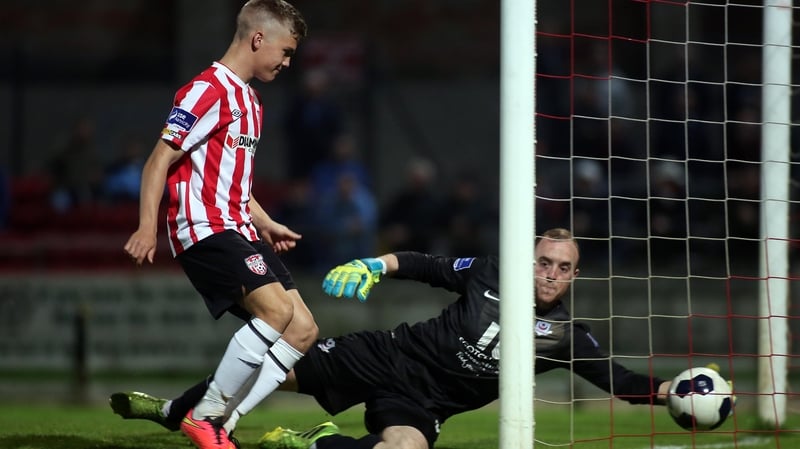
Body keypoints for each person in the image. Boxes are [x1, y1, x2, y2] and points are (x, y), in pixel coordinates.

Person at [113, 228, 684, 449]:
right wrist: (373, 264)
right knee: (275, 370)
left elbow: (624, 383)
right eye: (543, 262)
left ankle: (310, 443)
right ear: (527, 261)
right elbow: (424, 263)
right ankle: (173, 410)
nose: (550, 274)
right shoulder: (489, 274)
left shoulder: (564, 337)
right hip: (386, 355)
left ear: (575, 275)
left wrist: (674, 392)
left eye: (563, 267)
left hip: (423, 403)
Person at [121, 2, 314, 449]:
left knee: (302, 329)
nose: (287, 64)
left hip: (240, 228)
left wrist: (266, 223)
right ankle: (205, 416)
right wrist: (147, 227)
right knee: (277, 312)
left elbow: (235, 180)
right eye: (285, 52)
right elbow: (158, 160)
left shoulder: (251, 100)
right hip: (203, 226)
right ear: (258, 38)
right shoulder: (205, 90)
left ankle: (223, 421)